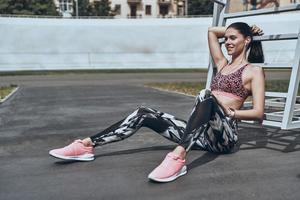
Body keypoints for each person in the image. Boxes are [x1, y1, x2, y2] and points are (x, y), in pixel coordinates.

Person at [49, 22, 265, 183]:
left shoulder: (253, 71)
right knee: (144, 112)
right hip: (199, 136)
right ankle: (87, 145)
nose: (226, 42)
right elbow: (211, 31)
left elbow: (258, 113)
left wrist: (231, 113)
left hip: (224, 139)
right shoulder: (222, 63)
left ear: (246, 41)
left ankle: (178, 158)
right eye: (225, 38)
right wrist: (244, 30)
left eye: (233, 38)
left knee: (206, 94)